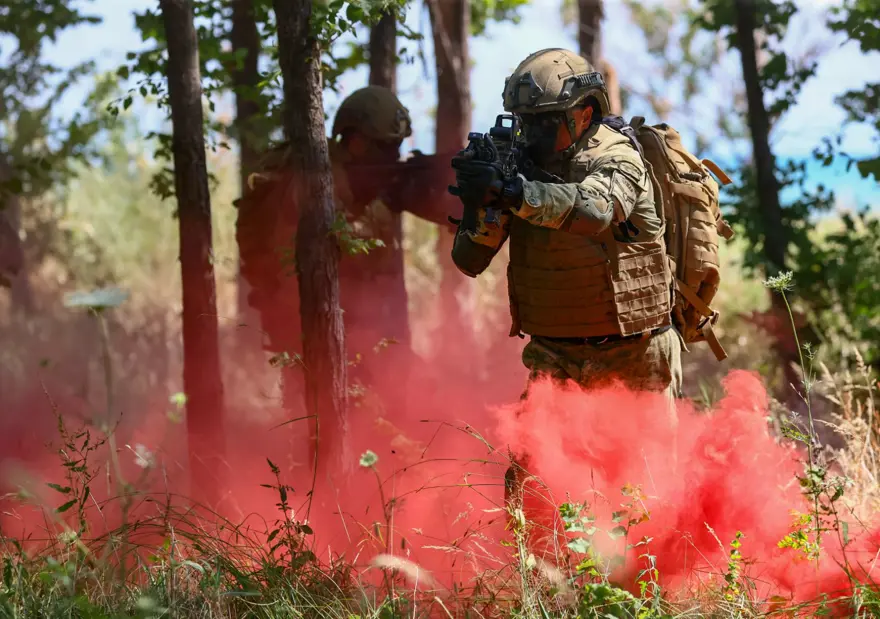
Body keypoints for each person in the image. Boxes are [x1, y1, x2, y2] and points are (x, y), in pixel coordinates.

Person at [447, 48, 682, 502]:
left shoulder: (617, 158)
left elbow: (595, 210)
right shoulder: (519, 165)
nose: (530, 134)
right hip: (555, 352)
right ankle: (535, 574)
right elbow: (470, 261)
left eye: (543, 122)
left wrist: (511, 190)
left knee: (647, 486)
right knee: (530, 483)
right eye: (523, 121)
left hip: (635, 350)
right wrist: (483, 202)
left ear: (584, 113)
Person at [235, 85, 455, 416]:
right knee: (323, 440)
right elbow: (295, 279)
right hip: (318, 346)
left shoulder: (373, 190)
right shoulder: (312, 187)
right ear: (356, 141)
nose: (394, 156)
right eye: (386, 146)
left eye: (397, 146)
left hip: (368, 344)